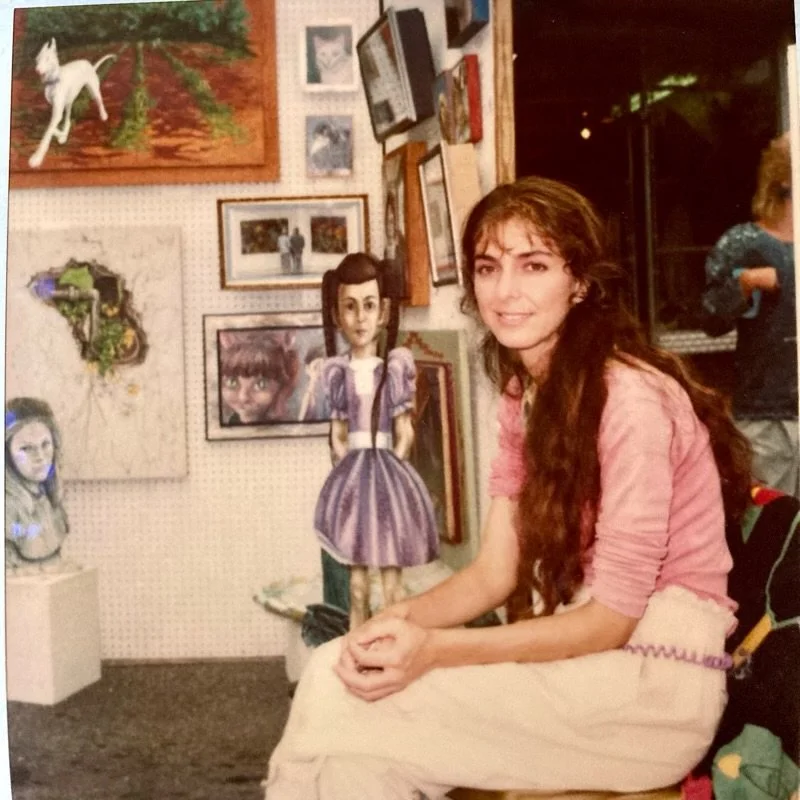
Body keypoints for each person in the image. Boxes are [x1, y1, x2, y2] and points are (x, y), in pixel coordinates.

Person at [264, 177, 753, 800]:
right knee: (351, 760)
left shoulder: (631, 401)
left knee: (334, 686)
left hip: (652, 692)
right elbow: (495, 573)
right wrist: (392, 621)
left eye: (535, 265)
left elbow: (611, 622)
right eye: (489, 267)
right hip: (591, 671)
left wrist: (432, 650)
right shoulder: (528, 395)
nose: (506, 292)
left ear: (580, 282)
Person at [313, 253, 438, 631]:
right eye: (349, 308)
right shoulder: (338, 373)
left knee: (392, 583)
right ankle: (358, 641)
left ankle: (393, 640)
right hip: (355, 474)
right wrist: (346, 467)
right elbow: (337, 433)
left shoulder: (395, 368)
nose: (360, 318)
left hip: (386, 473)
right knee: (357, 584)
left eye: (368, 306)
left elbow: (405, 431)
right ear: (337, 314)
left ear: (383, 312)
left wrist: (393, 471)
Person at [701, 132, 798, 495]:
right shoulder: (744, 243)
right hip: (765, 416)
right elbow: (710, 319)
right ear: (784, 179)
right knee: (772, 528)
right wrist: (743, 286)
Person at [5, 397, 70, 571]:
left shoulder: (51, 497)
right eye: (26, 448)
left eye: (45, 445)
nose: (40, 456)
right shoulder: (8, 509)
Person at [219, 330, 300, 425]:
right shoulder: (233, 421)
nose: (243, 397)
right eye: (232, 382)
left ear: (281, 387)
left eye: (261, 385)